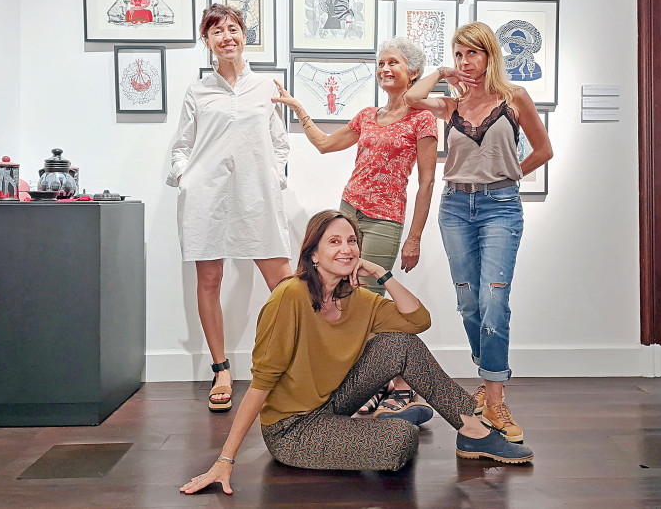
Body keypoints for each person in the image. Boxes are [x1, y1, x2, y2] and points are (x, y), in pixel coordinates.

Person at [180, 210, 533, 495]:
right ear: (313, 254)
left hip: (333, 402)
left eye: (351, 241)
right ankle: (388, 423)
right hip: (293, 429)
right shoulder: (289, 297)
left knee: (400, 344)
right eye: (334, 242)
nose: (346, 249)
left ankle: (472, 431)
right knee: (401, 442)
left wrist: (381, 273)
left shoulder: (359, 299)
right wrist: (225, 459)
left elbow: (418, 321)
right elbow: (261, 383)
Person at [272, 37, 437, 420]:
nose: (384, 69)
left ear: (413, 72)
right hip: (349, 214)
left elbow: (427, 181)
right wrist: (299, 109)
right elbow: (325, 145)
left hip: (385, 219)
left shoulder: (422, 119)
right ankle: (373, 385)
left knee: (372, 301)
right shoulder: (367, 116)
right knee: (344, 296)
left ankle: (402, 387)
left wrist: (414, 237)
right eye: (381, 63)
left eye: (393, 62)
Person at [404, 21, 553, 443]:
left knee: (494, 299)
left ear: (489, 55)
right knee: (469, 301)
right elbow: (411, 98)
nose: (465, 61)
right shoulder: (451, 105)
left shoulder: (514, 98)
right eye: (459, 54)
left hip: (500, 208)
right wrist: (442, 72)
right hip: (454, 207)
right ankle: (488, 383)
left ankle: (495, 397)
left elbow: (544, 149)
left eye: (472, 53)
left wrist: (510, 174)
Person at [166, 3, 292, 413]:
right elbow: (182, 145)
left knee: (285, 283)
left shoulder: (266, 87)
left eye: (233, 28)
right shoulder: (198, 91)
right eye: (216, 31)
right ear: (206, 41)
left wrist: (274, 177)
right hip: (208, 197)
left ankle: (288, 366)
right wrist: (185, 177)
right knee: (209, 279)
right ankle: (220, 368)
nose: (226, 37)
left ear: (244, 35)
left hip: (257, 194)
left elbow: (279, 143)